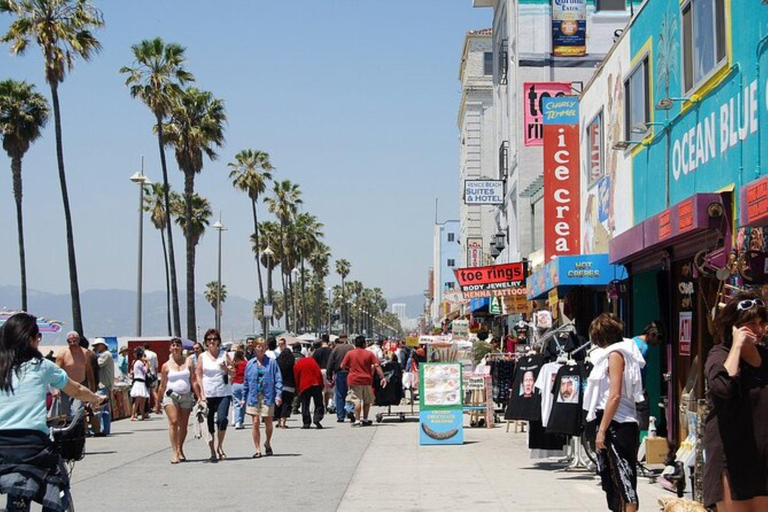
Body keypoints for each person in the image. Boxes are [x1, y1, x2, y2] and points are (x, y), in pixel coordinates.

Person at [0, 313, 107, 512]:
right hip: (33, 445)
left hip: (2, 447)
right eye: (38, 336)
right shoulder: (41, 366)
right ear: (30, 339)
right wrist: (96, 398)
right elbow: (76, 390)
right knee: (58, 483)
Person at [703, 292, 768, 511]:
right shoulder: (719, 355)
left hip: (762, 457)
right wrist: (737, 346)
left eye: (762, 322)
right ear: (734, 325)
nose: (759, 329)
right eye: (751, 323)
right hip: (730, 457)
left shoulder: (766, 356)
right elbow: (722, 387)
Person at [583, 313, 645, 512]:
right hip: (618, 422)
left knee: (623, 478)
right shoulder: (624, 351)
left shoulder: (616, 355)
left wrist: (602, 430)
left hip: (617, 423)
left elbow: (615, 395)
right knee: (615, 478)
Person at [157, 337, 198, 464]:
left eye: (177, 345)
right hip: (171, 396)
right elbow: (162, 385)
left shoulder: (189, 362)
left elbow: (194, 380)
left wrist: (199, 396)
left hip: (186, 395)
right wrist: (157, 402)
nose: (175, 347)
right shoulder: (166, 366)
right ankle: (174, 452)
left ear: (181, 348)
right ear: (170, 348)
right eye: (173, 345)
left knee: (183, 424)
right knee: (174, 422)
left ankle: (180, 448)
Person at [196, 328, 233, 462]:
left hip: (223, 392)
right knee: (209, 422)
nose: (212, 341)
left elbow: (234, 372)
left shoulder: (224, 354)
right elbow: (199, 376)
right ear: (206, 342)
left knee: (222, 420)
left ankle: (220, 446)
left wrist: (226, 369)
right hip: (208, 393)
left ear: (218, 341)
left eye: (214, 339)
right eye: (209, 339)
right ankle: (212, 450)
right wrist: (202, 394)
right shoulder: (202, 357)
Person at [242, 338, 283, 458]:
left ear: (265, 348)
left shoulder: (272, 363)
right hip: (254, 396)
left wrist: (278, 394)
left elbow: (278, 379)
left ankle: (268, 442)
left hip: (268, 396)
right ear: (254, 348)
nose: (260, 348)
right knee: (255, 421)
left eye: (263, 346)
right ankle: (257, 449)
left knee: (268, 422)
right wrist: (243, 397)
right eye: (258, 346)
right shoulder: (250, 364)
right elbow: (246, 382)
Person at [341, 335, 386, 427]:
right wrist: (382, 377)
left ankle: (357, 420)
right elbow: (377, 365)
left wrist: (350, 367)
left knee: (357, 401)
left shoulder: (350, 353)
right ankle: (365, 419)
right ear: (364, 344)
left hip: (354, 380)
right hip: (367, 380)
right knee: (367, 401)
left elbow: (342, 366)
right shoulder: (369, 354)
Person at [53, 331, 96, 419]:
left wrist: (92, 387)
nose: (73, 342)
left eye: (75, 340)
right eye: (70, 340)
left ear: (79, 340)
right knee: (64, 412)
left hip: (80, 386)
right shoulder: (62, 354)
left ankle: (77, 430)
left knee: (78, 411)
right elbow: (55, 372)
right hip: (65, 386)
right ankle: (66, 431)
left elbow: (89, 371)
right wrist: (55, 389)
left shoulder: (86, 353)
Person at [632, 320, 663, 431]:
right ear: (651, 334)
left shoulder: (633, 341)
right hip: (638, 390)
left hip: (629, 390)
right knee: (642, 424)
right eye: (658, 338)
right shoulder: (644, 348)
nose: (659, 342)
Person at [327, 334, 355, 422]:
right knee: (351, 393)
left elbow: (330, 363)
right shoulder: (351, 347)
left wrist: (329, 376)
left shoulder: (336, 349)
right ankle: (350, 410)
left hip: (339, 373)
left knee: (339, 394)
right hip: (350, 373)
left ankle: (340, 416)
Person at [294, 354, 325, 429]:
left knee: (305, 404)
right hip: (316, 383)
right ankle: (317, 418)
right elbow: (319, 373)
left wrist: (298, 389)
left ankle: (306, 423)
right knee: (318, 403)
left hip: (305, 385)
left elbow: (296, 378)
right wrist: (322, 384)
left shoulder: (297, 365)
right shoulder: (312, 361)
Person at [91, 338, 114, 437]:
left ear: (103, 345)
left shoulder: (106, 355)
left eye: (97, 345)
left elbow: (96, 364)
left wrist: (91, 356)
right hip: (105, 385)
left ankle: (98, 429)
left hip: (102, 384)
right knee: (105, 410)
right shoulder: (105, 355)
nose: (95, 348)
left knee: (98, 408)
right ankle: (105, 429)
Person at [275, 345, 296, 428]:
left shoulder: (277, 362)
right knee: (286, 404)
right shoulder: (291, 363)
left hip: (278, 385)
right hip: (289, 386)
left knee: (278, 404)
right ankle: (283, 422)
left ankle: (278, 421)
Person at [130, 347, 150, 421]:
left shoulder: (138, 362)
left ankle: (142, 415)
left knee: (143, 400)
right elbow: (146, 371)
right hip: (139, 382)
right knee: (138, 400)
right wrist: (147, 363)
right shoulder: (139, 363)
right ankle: (133, 415)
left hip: (141, 382)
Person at [231, 348, 248, 430]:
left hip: (235, 384)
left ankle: (237, 421)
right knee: (243, 403)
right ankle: (240, 421)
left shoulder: (234, 364)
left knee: (236, 403)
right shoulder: (246, 363)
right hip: (243, 384)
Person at [143, 343, 160, 414]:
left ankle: (147, 407)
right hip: (153, 374)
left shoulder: (143, 354)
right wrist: (156, 375)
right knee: (153, 391)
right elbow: (156, 366)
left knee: (146, 392)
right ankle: (157, 405)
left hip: (145, 374)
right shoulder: (154, 354)